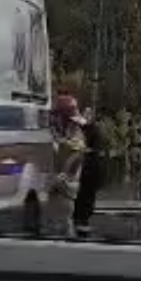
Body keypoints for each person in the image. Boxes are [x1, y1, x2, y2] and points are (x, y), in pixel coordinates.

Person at [45, 94, 86, 238]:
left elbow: (74, 156)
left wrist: (60, 178)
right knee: (61, 224)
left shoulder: (73, 136)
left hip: (66, 188)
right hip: (63, 189)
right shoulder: (59, 135)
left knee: (62, 225)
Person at [72, 107, 107, 238]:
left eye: (89, 114)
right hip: (83, 166)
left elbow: (95, 148)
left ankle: (83, 219)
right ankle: (79, 218)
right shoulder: (81, 128)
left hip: (91, 167)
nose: (86, 116)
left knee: (87, 194)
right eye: (85, 113)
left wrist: (84, 149)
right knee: (82, 194)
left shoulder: (94, 130)